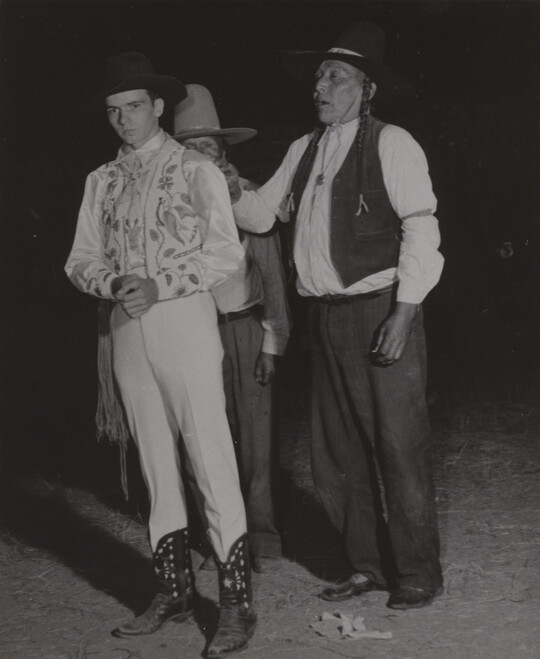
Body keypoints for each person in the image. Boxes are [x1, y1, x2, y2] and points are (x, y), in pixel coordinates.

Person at [223, 22, 445, 610]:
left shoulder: (393, 143)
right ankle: (367, 566)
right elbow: (262, 215)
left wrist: (403, 313)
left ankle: (418, 573)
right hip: (322, 317)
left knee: (398, 447)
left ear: (367, 89)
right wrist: (230, 185)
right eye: (319, 76)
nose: (319, 86)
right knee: (337, 453)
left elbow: (422, 227)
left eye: (335, 77)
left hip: (379, 311)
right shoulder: (305, 148)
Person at [65, 52, 256, 657]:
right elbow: (79, 258)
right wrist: (109, 282)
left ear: (157, 107)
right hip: (126, 328)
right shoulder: (101, 180)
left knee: (209, 455)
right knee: (154, 460)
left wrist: (161, 284)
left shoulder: (194, 168)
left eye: (133, 107)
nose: (123, 119)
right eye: (112, 110)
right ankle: (174, 591)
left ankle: (236, 604)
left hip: (184, 321)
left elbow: (226, 253)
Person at [173, 85, 290, 571]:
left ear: (223, 153)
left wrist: (271, 343)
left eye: (208, 147)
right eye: (190, 148)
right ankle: (218, 541)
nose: (200, 156)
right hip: (194, 332)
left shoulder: (246, 194)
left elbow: (271, 267)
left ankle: (261, 539)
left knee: (256, 440)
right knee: (201, 439)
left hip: (244, 327)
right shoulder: (172, 204)